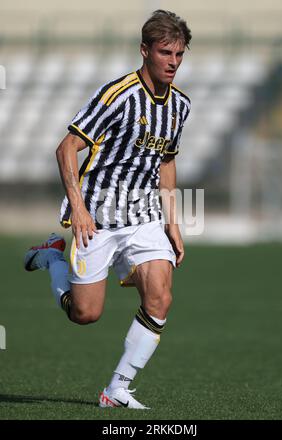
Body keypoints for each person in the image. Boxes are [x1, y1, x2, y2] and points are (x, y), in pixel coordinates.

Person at [24, 9, 191, 410]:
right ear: (145, 51)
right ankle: (51, 259)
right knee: (85, 314)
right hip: (97, 217)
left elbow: (166, 162)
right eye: (165, 52)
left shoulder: (180, 106)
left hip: (144, 216)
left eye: (179, 54)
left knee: (161, 297)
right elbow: (66, 147)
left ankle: (117, 388)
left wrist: (173, 223)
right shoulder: (117, 95)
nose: (172, 62)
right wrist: (78, 210)